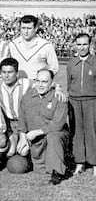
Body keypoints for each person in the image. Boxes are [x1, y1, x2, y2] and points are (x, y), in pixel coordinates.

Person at [18, 69, 68, 185]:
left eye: (45, 82)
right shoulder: (28, 95)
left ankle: (57, 173)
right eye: (38, 81)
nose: (40, 85)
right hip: (36, 138)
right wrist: (22, 137)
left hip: (53, 134)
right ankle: (35, 159)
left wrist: (37, 132)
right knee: (26, 161)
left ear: (52, 83)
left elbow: (57, 124)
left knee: (53, 136)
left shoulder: (59, 97)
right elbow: (22, 117)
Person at [67, 33, 96, 176]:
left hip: (92, 101)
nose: (82, 47)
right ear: (75, 46)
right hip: (74, 101)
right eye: (79, 44)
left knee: (92, 131)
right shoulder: (71, 63)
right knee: (77, 132)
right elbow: (69, 84)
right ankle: (79, 162)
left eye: (85, 44)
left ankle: (94, 162)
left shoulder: (95, 61)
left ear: (90, 45)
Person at [9, 15, 59, 80]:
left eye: (29, 28)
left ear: (35, 28)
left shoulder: (46, 45)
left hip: (37, 85)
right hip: (17, 85)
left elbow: (54, 67)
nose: (26, 31)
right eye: (23, 28)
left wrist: (43, 79)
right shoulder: (13, 44)